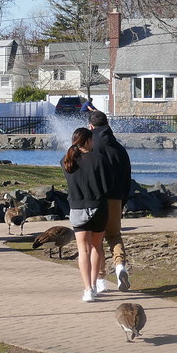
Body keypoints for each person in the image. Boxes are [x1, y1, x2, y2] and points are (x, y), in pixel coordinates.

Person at [61, 127, 110, 302]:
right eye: (92, 140)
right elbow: (106, 185)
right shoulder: (98, 158)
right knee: (97, 247)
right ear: (88, 141)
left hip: (77, 208)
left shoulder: (66, 160)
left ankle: (87, 289)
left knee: (83, 250)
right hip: (98, 207)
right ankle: (95, 284)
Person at [88, 110, 133, 291]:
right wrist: (123, 199)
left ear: (90, 126)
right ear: (107, 125)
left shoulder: (89, 146)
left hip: (95, 199)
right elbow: (127, 177)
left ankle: (100, 279)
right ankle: (120, 266)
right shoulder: (119, 148)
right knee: (114, 236)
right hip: (116, 197)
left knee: (96, 240)